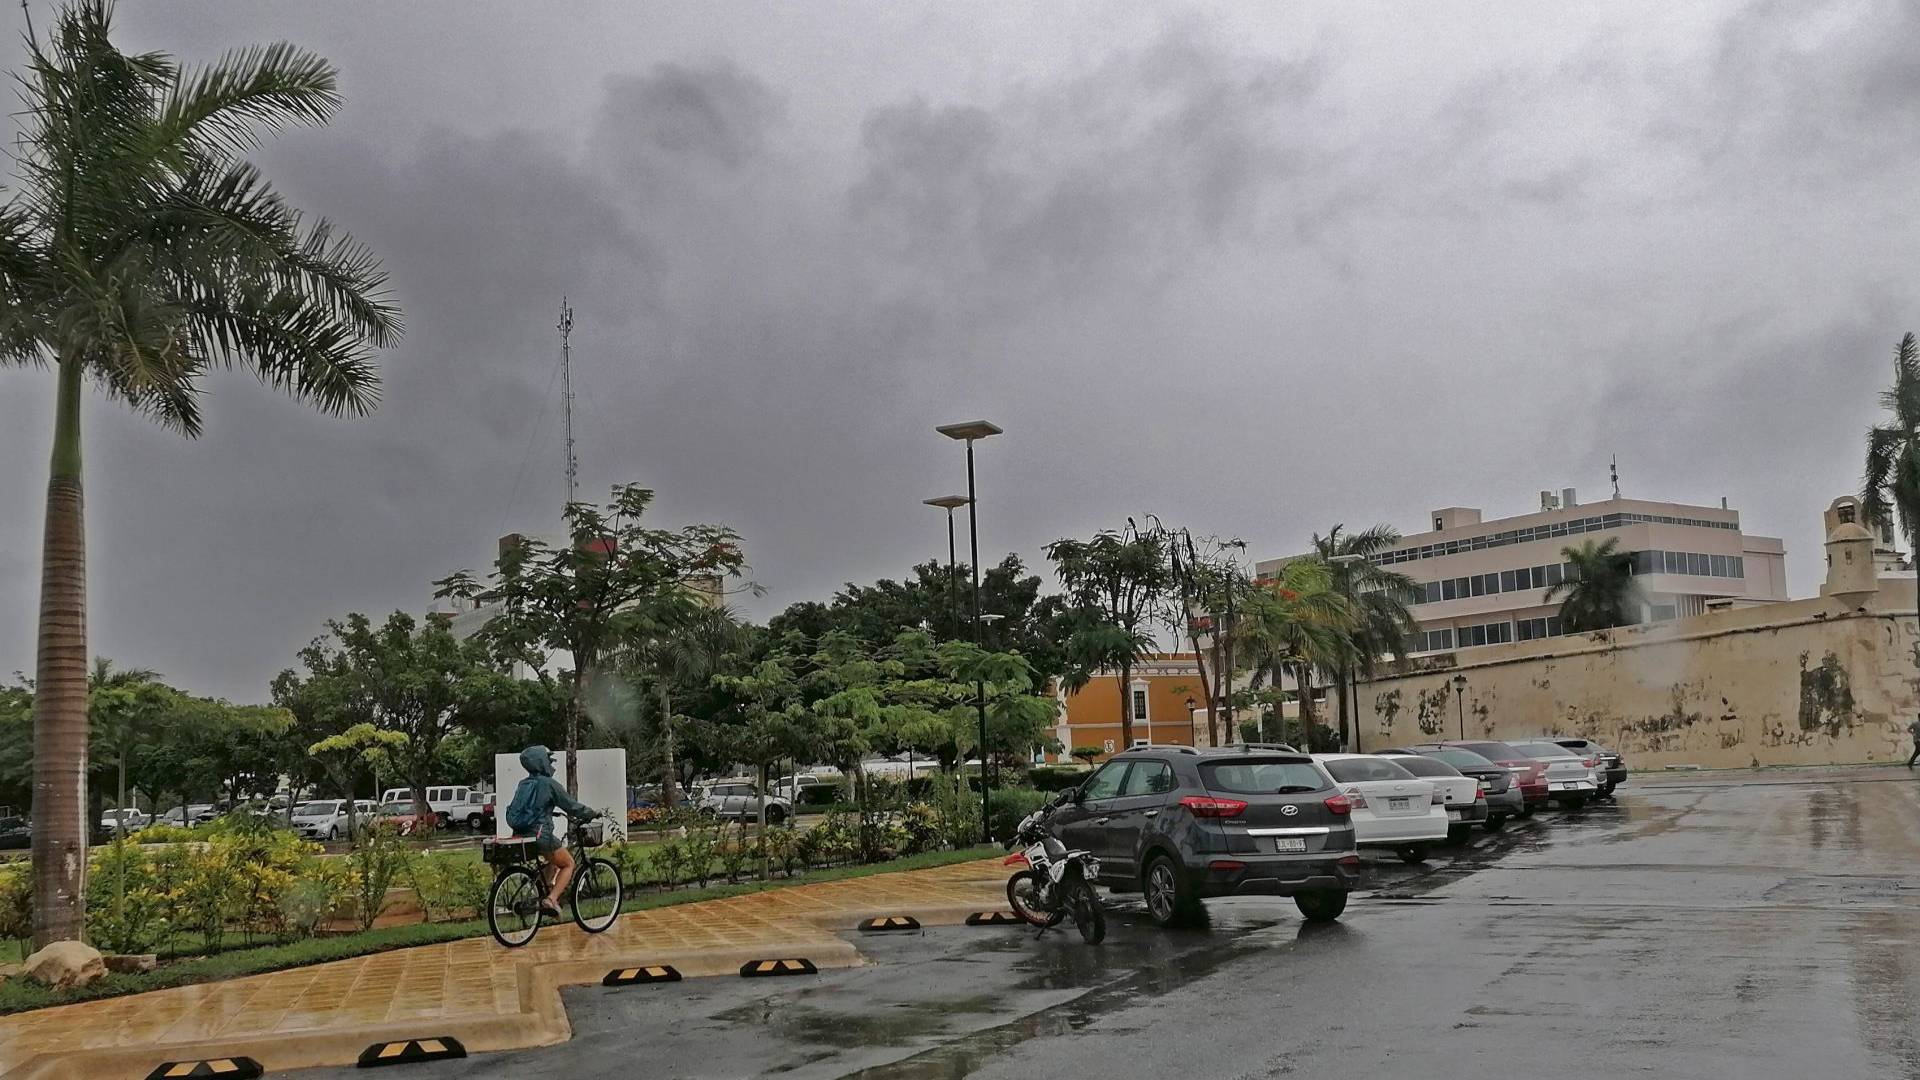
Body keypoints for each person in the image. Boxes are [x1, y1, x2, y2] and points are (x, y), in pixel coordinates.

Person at [505, 745, 598, 915]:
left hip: (521, 834)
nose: (550, 763)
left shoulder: (524, 784)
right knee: (569, 863)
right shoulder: (549, 784)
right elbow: (571, 806)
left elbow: (528, 807)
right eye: (548, 760)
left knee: (553, 863)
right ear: (542, 762)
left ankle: (540, 896)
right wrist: (591, 813)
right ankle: (551, 899)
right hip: (541, 835)